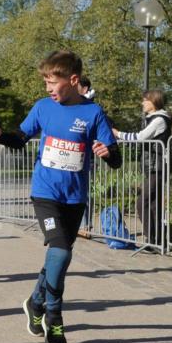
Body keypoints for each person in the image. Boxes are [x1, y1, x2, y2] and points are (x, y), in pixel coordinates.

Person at [0, 50, 121, 343]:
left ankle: (35, 303)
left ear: (73, 80)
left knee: (56, 257)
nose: (48, 89)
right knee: (61, 254)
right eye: (46, 83)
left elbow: (116, 159)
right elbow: (20, 137)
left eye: (52, 82)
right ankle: (54, 318)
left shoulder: (94, 113)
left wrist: (108, 153)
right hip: (45, 192)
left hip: (74, 198)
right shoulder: (42, 108)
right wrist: (0, 136)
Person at [112, 90, 172, 251]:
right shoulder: (154, 118)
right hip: (153, 166)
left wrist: (118, 134)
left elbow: (140, 137)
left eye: (145, 100)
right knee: (152, 204)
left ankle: (154, 240)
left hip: (157, 166)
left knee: (142, 202)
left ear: (155, 101)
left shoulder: (159, 119)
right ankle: (157, 241)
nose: (143, 103)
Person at [78, 79, 96, 238]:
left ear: (84, 88)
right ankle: (78, 225)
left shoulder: (90, 106)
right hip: (75, 156)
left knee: (85, 192)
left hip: (87, 157)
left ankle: (86, 226)